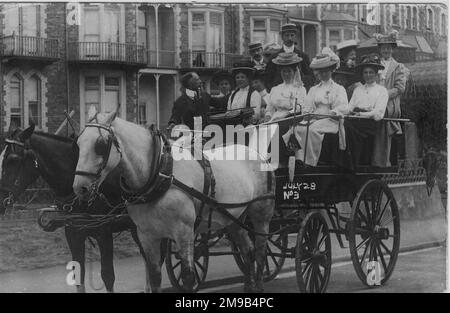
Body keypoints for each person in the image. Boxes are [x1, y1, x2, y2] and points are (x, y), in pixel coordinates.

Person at [282, 48, 348, 167]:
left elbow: (342, 107)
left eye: (326, 71)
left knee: (311, 131)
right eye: (321, 71)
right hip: (313, 118)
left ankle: (310, 161)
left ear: (332, 70)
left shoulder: (339, 89)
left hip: (330, 119)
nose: (323, 74)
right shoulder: (314, 89)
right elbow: (307, 106)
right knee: (297, 129)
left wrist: (330, 114)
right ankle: (298, 159)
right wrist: (308, 114)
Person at [372, 30, 409, 166]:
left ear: (392, 49)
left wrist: (383, 95)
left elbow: (400, 88)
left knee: (382, 121)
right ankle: (369, 160)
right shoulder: (374, 64)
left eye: (388, 47)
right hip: (373, 101)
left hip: (390, 104)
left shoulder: (398, 67)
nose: (386, 50)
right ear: (380, 49)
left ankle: (382, 162)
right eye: (383, 47)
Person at [345, 54, 388, 167]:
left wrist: (361, 114)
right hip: (355, 120)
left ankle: (353, 163)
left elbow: (378, 113)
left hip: (369, 124)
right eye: (365, 72)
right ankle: (345, 161)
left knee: (347, 127)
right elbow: (349, 108)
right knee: (340, 125)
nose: (368, 75)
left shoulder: (381, 90)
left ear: (375, 74)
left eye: (371, 72)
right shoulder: (358, 90)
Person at [259, 52, 306, 123]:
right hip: (274, 120)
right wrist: (267, 116)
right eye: (284, 71)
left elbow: (299, 109)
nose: (286, 74)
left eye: (289, 71)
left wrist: (283, 116)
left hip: (291, 121)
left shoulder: (300, 89)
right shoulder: (275, 89)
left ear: (294, 72)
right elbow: (270, 109)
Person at [265, 23, 313, 91]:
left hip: (297, 93)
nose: (289, 38)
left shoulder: (303, 56)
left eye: (292, 35)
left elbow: (311, 77)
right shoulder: (274, 58)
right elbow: (267, 79)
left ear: (295, 36)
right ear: (282, 37)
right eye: (287, 35)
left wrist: (300, 79)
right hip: (279, 94)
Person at [227, 58, 262, 126]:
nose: (240, 80)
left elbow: (256, 114)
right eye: (237, 77)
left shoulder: (254, 94)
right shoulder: (233, 94)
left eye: (242, 77)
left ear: (248, 78)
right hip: (232, 127)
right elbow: (228, 111)